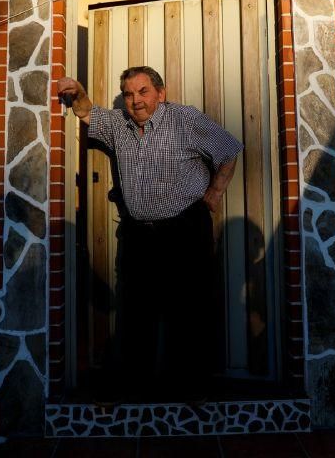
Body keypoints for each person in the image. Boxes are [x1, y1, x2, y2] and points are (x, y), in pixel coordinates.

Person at [57, 66, 243, 402]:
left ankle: (190, 390)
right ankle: (138, 390)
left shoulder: (184, 119)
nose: (135, 101)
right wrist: (77, 92)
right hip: (139, 235)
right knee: (137, 310)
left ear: (161, 92)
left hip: (184, 230)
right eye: (129, 94)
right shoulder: (118, 124)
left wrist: (214, 193)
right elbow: (85, 111)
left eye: (143, 92)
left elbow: (228, 148)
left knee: (188, 311)